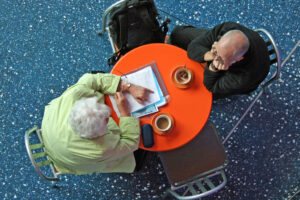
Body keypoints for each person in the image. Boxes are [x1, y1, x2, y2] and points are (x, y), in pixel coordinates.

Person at [41, 72, 153, 174]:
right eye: (106, 120)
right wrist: (124, 111)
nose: (109, 118)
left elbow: (92, 79)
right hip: (68, 157)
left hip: (52, 137)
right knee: (139, 150)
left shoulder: (73, 96)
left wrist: (128, 86)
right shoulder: (100, 150)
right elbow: (130, 143)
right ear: (95, 136)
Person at [169, 21, 270, 99]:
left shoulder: (244, 77)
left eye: (220, 57)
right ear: (222, 39)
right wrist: (209, 54)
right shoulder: (228, 28)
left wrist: (214, 67)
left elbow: (211, 86)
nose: (215, 57)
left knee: (203, 94)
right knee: (178, 33)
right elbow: (193, 48)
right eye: (216, 49)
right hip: (238, 50)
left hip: (248, 78)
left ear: (238, 59)